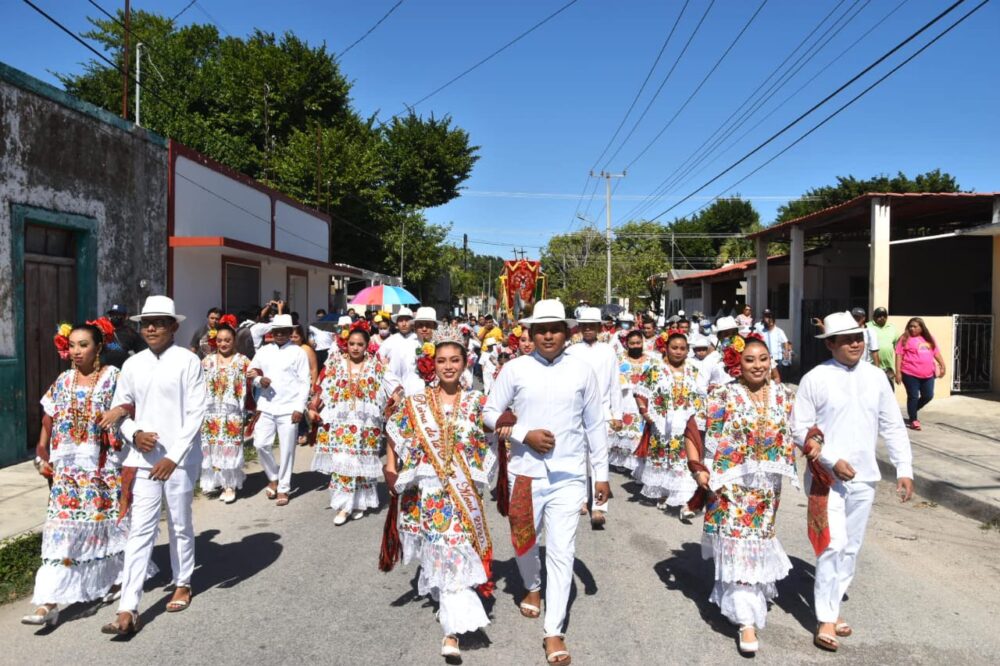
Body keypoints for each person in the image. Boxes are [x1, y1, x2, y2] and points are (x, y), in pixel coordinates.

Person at [483, 300, 610, 665]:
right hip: (525, 472)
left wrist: (600, 475)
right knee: (523, 541)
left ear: (567, 331)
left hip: (569, 475)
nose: (549, 335)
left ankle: (554, 631)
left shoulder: (582, 371)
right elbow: (490, 413)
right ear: (531, 333)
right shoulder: (515, 369)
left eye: (555, 328)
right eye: (541, 329)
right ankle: (532, 586)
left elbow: (595, 425)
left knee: (561, 551)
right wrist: (524, 434)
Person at [791, 311, 913, 653]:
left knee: (850, 548)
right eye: (847, 339)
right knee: (831, 543)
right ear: (830, 344)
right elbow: (798, 429)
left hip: (865, 477)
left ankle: (832, 605)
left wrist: (905, 468)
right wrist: (830, 460)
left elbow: (892, 426)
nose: (856, 343)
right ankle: (826, 617)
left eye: (858, 337)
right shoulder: (815, 378)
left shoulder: (876, 378)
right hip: (825, 477)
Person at [384, 327, 498, 662]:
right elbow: (394, 431)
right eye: (442, 360)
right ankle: (451, 622)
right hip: (430, 494)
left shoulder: (478, 402)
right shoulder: (417, 402)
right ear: (432, 364)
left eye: (455, 360)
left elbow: (494, 433)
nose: (448, 366)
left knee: (456, 552)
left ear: (466, 363)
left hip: (464, 493)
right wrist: (391, 467)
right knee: (442, 553)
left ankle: (451, 628)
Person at [683, 335, 798, 655]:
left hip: (766, 490)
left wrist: (815, 442)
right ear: (738, 363)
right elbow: (693, 430)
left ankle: (746, 601)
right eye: (750, 359)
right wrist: (697, 468)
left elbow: (799, 430)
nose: (758, 365)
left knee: (757, 544)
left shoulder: (783, 396)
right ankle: (746, 620)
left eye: (763, 359)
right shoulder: (723, 395)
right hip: (729, 487)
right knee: (737, 546)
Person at [100, 296, 206, 635]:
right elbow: (120, 409)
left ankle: (183, 581)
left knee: (179, 523)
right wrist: (135, 434)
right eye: (146, 322)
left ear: (174, 326)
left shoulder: (188, 362)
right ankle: (127, 608)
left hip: (180, 460)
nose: (151, 328)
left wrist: (173, 457)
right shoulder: (133, 365)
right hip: (143, 460)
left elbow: (196, 414)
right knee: (140, 531)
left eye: (160, 322)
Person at [21, 322, 126, 627]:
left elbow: (129, 409)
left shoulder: (113, 379)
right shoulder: (63, 380)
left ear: (99, 347)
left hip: (101, 469)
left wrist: (119, 414)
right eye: (73, 345)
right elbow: (48, 418)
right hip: (66, 471)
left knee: (104, 529)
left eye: (83, 345)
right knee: (60, 532)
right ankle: (48, 602)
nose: (76, 351)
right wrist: (41, 453)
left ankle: (116, 579)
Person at [310, 321, 394, 525]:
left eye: (360, 344)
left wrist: (397, 400)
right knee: (342, 461)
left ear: (367, 346)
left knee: (361, 462)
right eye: (352, 344)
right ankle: (343, 505)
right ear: (346, 344)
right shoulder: (335, 362)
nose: (355, 348)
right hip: (342, 422)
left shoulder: (376, 365)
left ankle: (359, 502)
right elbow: (322, 387)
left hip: (366, 425)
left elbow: (391, 385)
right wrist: (314, 407)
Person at [633, 329, 705, 517]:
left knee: (683, 460)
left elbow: (700, 396)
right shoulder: (656, 369)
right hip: (661, 423)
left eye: (682, 348)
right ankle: (663, 493)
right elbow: (640, 392)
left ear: (688, 350)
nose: (678, 351)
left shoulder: (694, 371)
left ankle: (684, 500)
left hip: (685, 422)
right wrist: (644, 412)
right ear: (666, 348)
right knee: (664, 458)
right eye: (674, 348)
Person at [565, 307, 623, 528]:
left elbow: (615, 384)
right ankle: (581, 499)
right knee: (578, 455)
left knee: (600, 458)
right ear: (579, 327)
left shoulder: (608, 351)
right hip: (577, 412)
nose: (588, 328)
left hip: (602, 412)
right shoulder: (571, 351)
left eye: (593, 325)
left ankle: (599, 506)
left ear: (600, 327)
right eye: (585, 325)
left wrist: (617, 414)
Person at [247, 314, 310, 506]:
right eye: (277, 331)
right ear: (271, 332)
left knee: (287, 449)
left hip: (289, 407)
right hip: (266, 406)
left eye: (284, 331)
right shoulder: (264, 351)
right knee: (260, 444)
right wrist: (259, 381)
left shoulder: (298, 352)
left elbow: (304, 381)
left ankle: (283, 487)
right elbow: (251, 372)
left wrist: (300, 408)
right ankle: (273, 476)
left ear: (291, 332)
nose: (280, 335)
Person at [199, 320, 250, 504]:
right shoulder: (207, 361)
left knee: (229, 447)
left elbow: (256, 377)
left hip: (232, 414)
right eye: (220, 340)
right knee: (213, 447)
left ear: (234, 340)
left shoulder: (243, 361)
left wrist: (259, 379)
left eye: (227, 340)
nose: (223, 344)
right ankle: (218, 483)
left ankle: (230, 485)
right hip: (210, 413)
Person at [611, 329, 659, 473]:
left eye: (639, 342)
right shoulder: (618, 359)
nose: (636, 346)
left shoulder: (652, 360)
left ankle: (638, 466)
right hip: (625, 399)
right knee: (625, 432)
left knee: (640, 434)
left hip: (644, 401)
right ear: (627, 344)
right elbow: (612, 377)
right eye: (632, 343)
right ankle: (622, 462)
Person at [894, 317, 946, 430]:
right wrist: (898, 372)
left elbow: (936, 353)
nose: (912, 329)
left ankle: (912, 409)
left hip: (928, 374)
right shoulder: (904, 338)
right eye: (910, 326)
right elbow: (899, 355)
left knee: (928, 395)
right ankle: (913, 419)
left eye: (915, 326)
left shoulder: (928, 338)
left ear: (921, 328)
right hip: (909, 373)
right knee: (913, 396)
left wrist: (943, 365)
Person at [291, 324, 320, 445]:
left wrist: (313, 385)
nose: (293, 339)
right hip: (292, 385)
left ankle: (305, 433)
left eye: (296, 336)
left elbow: (313, 368)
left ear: (301, 337)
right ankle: (299, 432)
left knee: (305, 410)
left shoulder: (306, 349)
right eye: (291, 336)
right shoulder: (288, 349)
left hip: (305, 384)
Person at [101, 303, 147, 368]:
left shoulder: (130, 333)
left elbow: (144, 352)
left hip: (123, 372)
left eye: (118, 315)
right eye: (112, 315)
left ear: (125, 317)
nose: (115, 317)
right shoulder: (102, 330)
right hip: (104, 371)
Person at [867, 307, 900, 389]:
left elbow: (899, 349)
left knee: (889, 392)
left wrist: (898, 370)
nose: (882, 317)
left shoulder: (892, 328)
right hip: (871, 367)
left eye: (884, 315)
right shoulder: (867, 326)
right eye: (879, 315)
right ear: (873, 316)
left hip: (888, 368)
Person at [760, 309, 791, 381]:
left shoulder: (779, 331)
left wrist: (786, 352)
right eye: (766, 317)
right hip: (766, 358)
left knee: (777, 377)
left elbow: (785, 341)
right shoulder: (762, 331)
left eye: (770, 317)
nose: (769, 319)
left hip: (777, 358)